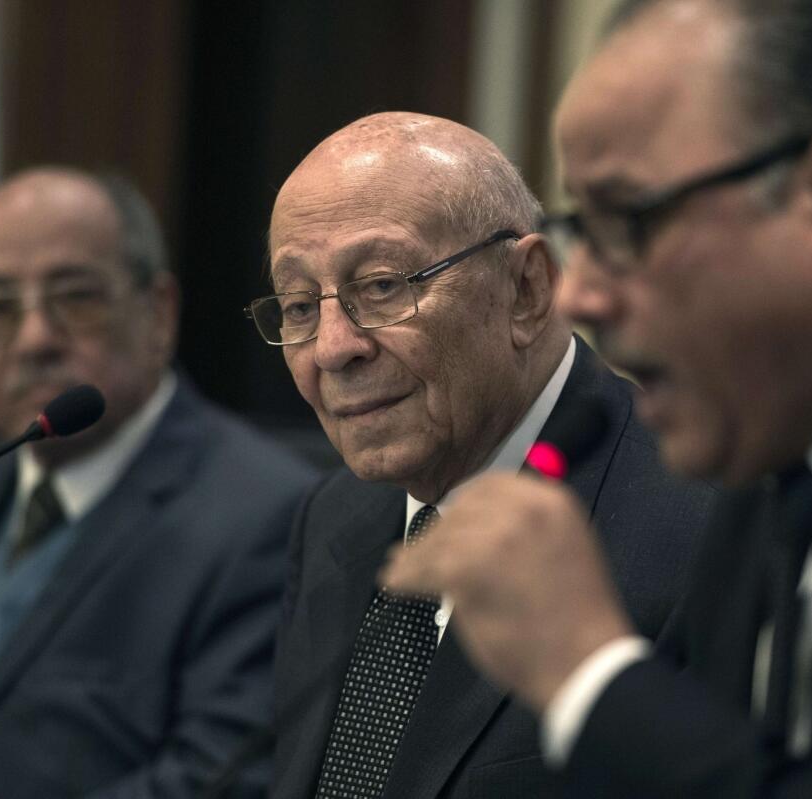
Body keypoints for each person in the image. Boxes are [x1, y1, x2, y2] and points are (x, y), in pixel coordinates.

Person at [383, 0, 812, 796]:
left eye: (628, 222)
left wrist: (587, 672)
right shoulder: (771, 448)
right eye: (583, 232)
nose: (584, 295)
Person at [259, 111, 714, 798]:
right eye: (298, 305)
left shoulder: (702, 521)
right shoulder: (333, 516)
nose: (332, 348)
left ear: (526, 289)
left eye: (382, 285)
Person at [0, 167, 318, 798]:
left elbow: (214, 784)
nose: (34, 340)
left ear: (158, 314)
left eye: (74, 297)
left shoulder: (272, 517)